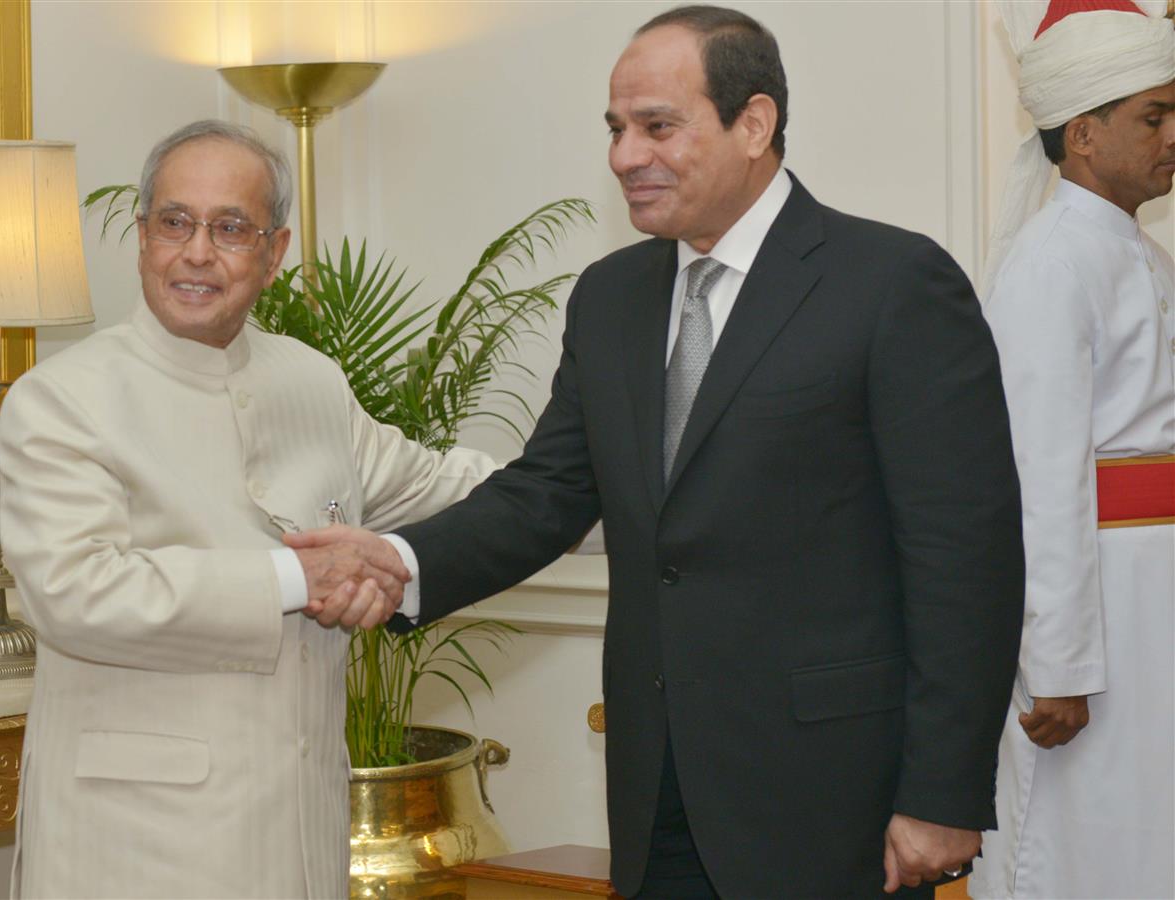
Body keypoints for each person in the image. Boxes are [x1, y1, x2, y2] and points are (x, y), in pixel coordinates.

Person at [285, 6, 1025, 897]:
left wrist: (942, 791)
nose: (625, 155)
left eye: (657, 126)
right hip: (654, 785)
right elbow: (545, 494)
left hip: (832, 793)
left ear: (753, 124)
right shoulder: (610, 298)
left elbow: (964, 558)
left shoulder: (894, 284)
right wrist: (400, 560)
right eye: (616, 128)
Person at [0, 119, 494, 898]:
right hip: (131, 850)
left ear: (274, 252)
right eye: (174, 222)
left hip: (299, 840)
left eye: (230, 228)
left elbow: (437, 486)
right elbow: (81, 594)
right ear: (141, 237)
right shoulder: (62, 400)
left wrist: (619, 495)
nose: (198, 251)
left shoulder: (313, 382)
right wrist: (302, 579)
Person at [971, 1, 1175, 897]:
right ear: (1084, 134)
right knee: (1079, 839)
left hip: (1153, 601)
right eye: (1155, 116)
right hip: (1098, 612)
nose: (1174, 134)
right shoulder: (1050, 265)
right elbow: (1039, 480)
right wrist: (1056, 664)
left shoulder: (1145, 255)